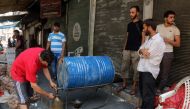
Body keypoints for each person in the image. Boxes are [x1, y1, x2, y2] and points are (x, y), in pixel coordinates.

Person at [137, 19, 165, 109]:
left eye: (144, 27)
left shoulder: (158, 41)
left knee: (148, 96)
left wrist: (143, 51)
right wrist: (142, 51)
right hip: (143, 69)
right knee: (143, 94)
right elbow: (140, 50)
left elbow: (148, 55)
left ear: (149, 27)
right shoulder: (149, 39)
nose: (143, 29)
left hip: (149, 71)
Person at [116, 6, 144, 94]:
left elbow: (143, 37)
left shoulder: (141, 24)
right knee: (124, 67)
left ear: (137, 13)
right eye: (130, 12)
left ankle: (134, 87)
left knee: (136, 69)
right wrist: (124, 49)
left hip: (137, 50)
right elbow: (127, 37)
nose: (131, 14)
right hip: (127, 50)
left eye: (133, 12)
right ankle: (124, 84)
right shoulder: (129, 24)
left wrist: (141, 49)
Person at [156, 10, 181, 94]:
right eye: (171, 17)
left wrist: (168, 40)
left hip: (168, 53)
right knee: (155, 70)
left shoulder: (175, 29)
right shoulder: (158, 27)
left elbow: (178, 44)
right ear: (165, 18)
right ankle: (153, 86)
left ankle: (159, 89)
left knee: (165, 73)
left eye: (173, 17)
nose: (172, 19)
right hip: (157, 52)